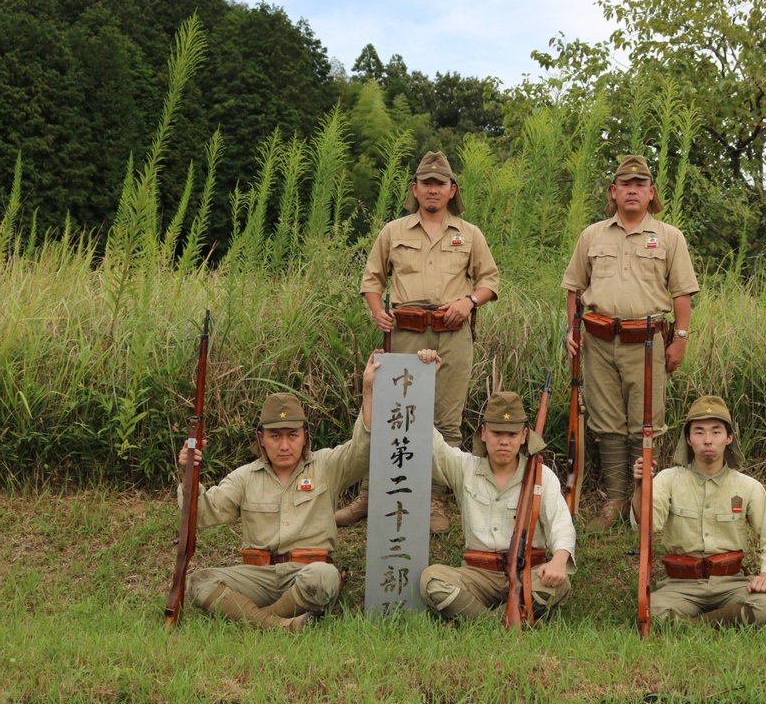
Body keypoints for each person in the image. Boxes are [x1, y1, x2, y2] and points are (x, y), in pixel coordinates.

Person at [176, 350, 437, 631]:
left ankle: (259, 620)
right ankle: (279, 624)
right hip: (258, 575)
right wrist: (188, 473)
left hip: (306, 572)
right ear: (261, 439)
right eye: (275, 436)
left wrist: (368, 391)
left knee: (326, 577)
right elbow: (202, 514)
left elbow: (361, 450)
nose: (284, 445)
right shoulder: (244, 477)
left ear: (305, 436)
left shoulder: (326, 465)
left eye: (292, 435)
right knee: (199, 581)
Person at [341, 150, 501, 532]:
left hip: (452, 335)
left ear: (451, 190)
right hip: (406, 333)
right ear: (415, 189)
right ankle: (370, 494)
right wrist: (377, 309)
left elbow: (490, 281)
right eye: (425, 183)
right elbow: (372, 279)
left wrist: (468, 300)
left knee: (445, 421)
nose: (432, 190)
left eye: (439, 183)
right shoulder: (394, 231)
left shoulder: (469, 234)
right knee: (391, 413)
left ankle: (435, 501)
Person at [561, 154, 699, 531]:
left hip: (648, 341)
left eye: (640, 185)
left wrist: (681, 339)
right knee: (607, 422)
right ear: (614, 191)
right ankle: (615, 500)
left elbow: (683, 294)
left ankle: (642, 499)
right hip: (599, 340)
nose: (633, 190)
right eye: (626, 184)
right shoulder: (592, 235)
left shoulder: (669, 237)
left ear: (651, 192)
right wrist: (572, 331)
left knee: (646, 423)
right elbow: (575, 287)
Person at [418, 367, 576, 622]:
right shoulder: (465, 467)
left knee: (559, 583)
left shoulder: (541, 475)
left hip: (528, 573)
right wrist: (424, 380)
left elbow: (562, 526)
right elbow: (431, 442)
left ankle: (486, 616)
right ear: (484, 433)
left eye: (512, 434)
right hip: (478, 575)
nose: (504, 441)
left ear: (524, 436)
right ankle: (493, 622)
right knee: (432, 580)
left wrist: (559, 560)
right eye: (497, 433)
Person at [631, 395, 766, 626]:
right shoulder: (668, 480)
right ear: (688, 439)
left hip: (732, 583)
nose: (707, 440)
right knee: (651, 610)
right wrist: (640, 486)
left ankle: (692, 626)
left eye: (716, 432)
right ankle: (722, 623)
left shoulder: (748, 486)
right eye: (699, 432)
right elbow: (646, 526)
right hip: (681, 585)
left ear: (728, 438)